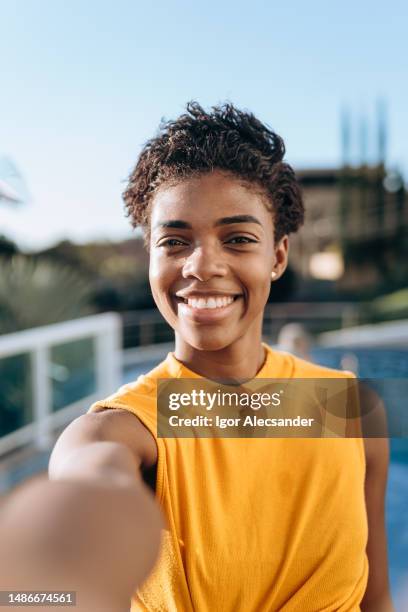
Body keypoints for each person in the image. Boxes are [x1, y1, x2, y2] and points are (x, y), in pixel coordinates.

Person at [0, 103, 393, 611]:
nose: (202, 265)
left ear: (277, 256)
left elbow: (376, 599)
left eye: (237, 239)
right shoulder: (118, 432)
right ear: (151, 257)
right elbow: (91, 486)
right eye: (174, 240)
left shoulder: (351, 409)